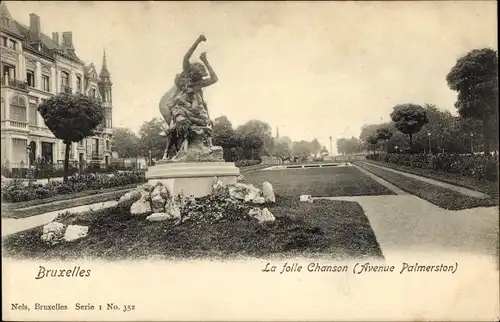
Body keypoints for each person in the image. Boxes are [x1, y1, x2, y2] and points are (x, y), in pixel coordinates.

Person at [159, 34, 219, 159]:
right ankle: (182, 144)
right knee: (181, 120)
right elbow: (186, 57)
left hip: (196, 109)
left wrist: (206, 61)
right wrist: (197, 41)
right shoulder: (186, 75)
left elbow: (214, 79)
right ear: (193, 71)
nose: (202, 75)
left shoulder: (199, 83)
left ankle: (200, 147)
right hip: (182, 107)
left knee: (204, 121)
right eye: (200, 71)